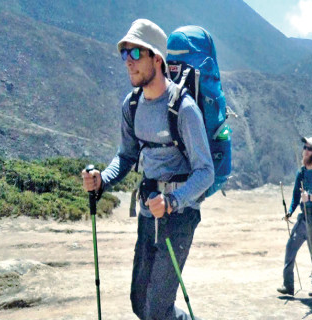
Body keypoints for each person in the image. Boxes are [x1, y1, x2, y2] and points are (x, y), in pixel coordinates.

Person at [82, 19, 214, 319]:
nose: (128, 61)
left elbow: (206, 172)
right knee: (140, 303)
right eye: (124, 54)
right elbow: (126, 156)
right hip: (147, 215)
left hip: (179, 218)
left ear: (157, 58)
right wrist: (103, 178)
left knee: (156, 310)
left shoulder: (184, 108)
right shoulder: (131, 106)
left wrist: (172, 201)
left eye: (136, 53)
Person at [277, 137, 312, 297]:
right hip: (303, 220)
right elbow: (295, 195)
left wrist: (311, 197)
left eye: (308, 148)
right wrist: (290, 211)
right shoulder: (301, 172)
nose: (304, 150)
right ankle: (288, 285)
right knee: (290, 248)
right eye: (304, 147)